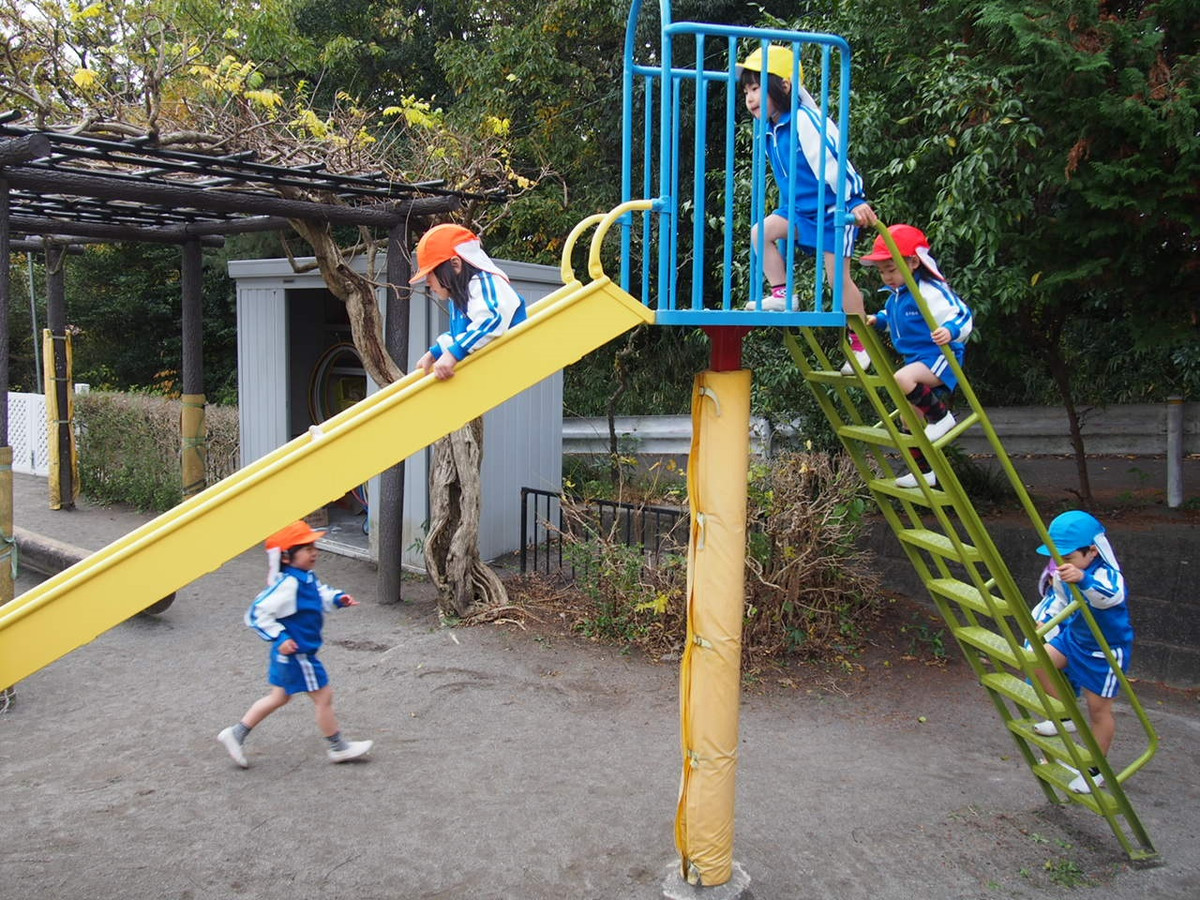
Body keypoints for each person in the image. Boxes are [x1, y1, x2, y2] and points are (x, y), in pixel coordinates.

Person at [737, 44, 878, 374]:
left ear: (784, 86)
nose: (750, 98)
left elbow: (834, 161)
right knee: (761, 233)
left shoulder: (804, 121)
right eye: (746, 91)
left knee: (837, 281)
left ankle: (861, 343)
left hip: (832, 211)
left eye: (757, 89)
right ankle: (783, 294)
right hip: (799, 211)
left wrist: (855, 199)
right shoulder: (771, 130)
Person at [217, 521, 372, 768]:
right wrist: (280, 638)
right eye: (306, 548)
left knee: (279, 697)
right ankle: (338, 747)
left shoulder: (305, 578)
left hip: (291, 654)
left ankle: (236, 734)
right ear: (287, 557)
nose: (314, 552)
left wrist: (337, 598)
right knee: (324, 696)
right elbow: (256, 613)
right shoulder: (289, 584)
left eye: (313, 546)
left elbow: (320, 594)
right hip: (299, 654)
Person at [859, 224, 974, 488]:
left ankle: (941, 417)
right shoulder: (896, 297)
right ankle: (924, 473)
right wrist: (878, 320)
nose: (886, 277)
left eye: (891, 269)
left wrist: (950, 330)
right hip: (919, 359)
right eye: (882, 271)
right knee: (908, 418)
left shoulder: (929, 290)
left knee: (901, 378)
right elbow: (893, 319)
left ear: (913, 262)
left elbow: (961, 313)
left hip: (941, 355)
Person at [1030, 510, 1133, 794]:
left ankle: (1095, 770)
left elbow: (1110, 597)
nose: (1061, 563)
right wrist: (1046, 621)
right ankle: (1063, 716)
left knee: (1098, 710)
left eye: (1068, 556)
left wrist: (1083, 578)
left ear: (1092, 550)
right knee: (1036, 660)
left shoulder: (1106, 574)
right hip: (1074, 638)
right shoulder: (1064, 572)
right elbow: (1060, 602)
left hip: (1104, 651)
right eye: (1057, 557)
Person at [410, 223, 528, 381]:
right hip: (491, 363)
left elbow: (491, 321)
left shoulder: (483, 283)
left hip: (510, 352)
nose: (428, 282)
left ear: (455, 264)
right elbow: (462, 334)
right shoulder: (459, 296)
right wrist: (435, 353)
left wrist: (453, 354)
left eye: (430, 273)